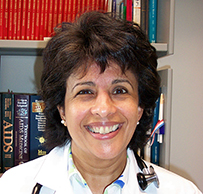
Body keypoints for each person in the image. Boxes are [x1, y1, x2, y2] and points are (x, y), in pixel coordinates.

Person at [0, 11, 202, 194]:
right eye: (85, 91)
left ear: (140, 108)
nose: (104, 109)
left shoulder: (182, 191)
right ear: (62, 109)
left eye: (120, 90)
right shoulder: (12, 187)